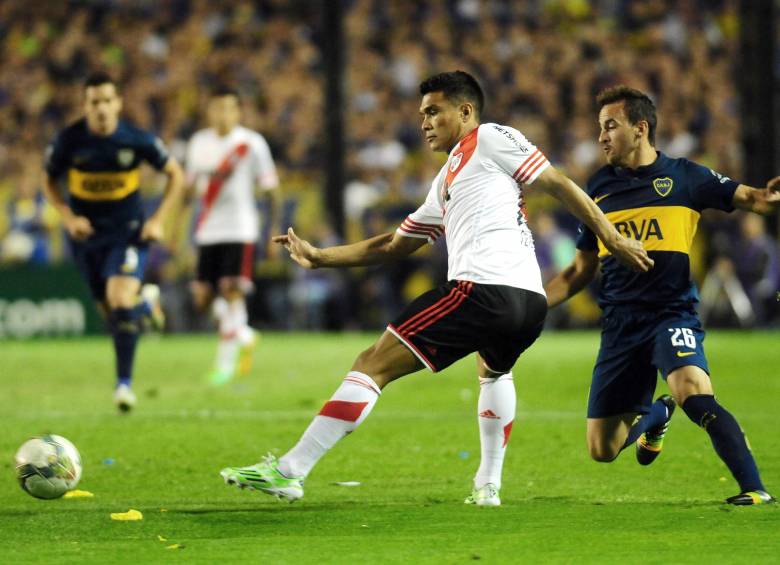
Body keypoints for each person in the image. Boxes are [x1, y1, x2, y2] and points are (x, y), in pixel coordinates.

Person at [220, 71, 651, 505]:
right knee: (494, 370)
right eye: (422, 114)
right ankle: (488, 487)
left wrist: (611, 237)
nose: (424, 122)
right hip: (529, 304)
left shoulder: (491, 137)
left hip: (482, 290)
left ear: (465, 111)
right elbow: (394, 243)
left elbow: (556, 183)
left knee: (373, 363)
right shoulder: (448, 177)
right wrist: (319, 257)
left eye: (433, 112)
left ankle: (291, 469)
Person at [545, 85, 778, 505]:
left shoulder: (688, 176)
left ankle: (754, 489)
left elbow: (753, 199)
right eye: (599, 127)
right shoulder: (598, 188)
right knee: (602, 449)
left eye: (610, 126)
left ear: (640, 129)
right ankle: (657, 413)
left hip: (672, 312)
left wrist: (769, 197)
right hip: (619, 324)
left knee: (694, 389)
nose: (600, 136)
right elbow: (580, 270)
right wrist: (532, 304)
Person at [43, 72, 184, 412]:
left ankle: (124, 386)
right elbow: (50, 180)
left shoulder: (136, 139)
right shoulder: (69, 141)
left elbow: (175, 174)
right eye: (95, 102)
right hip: (86, 236)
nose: (102, 109)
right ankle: (147, 304)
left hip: (128, 231)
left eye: (107, 101)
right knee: (111, 314)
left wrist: (157, 220)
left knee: (119, 302)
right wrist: (68, 217)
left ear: (118, 103)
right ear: (86, 105)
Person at [183, 86, 279, 385]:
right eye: (216, 108)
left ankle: (224, 364)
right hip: (207, 230)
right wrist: (180, 231)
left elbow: (271, 188)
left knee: (231, 291)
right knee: (202, 299)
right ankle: (244, 333)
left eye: (227, 108)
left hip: (240, 228)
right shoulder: (198, 143)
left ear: (238, 112)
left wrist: (272, 229)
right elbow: (188, 192)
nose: (221, 114)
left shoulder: (251, 143)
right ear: (208, 111)